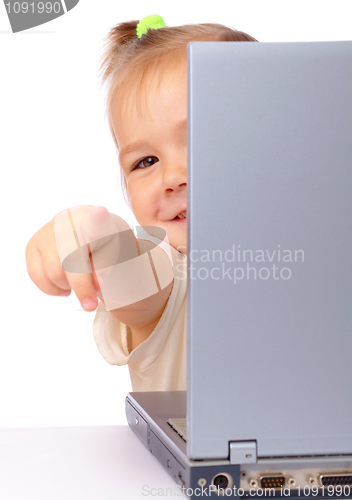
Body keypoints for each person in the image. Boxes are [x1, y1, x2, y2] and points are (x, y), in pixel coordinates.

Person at [25, 15, 257, 391]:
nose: (172, 177)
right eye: (145, 162)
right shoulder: (170, 267)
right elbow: (134, 280)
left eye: (202, 137)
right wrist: (104, 240)